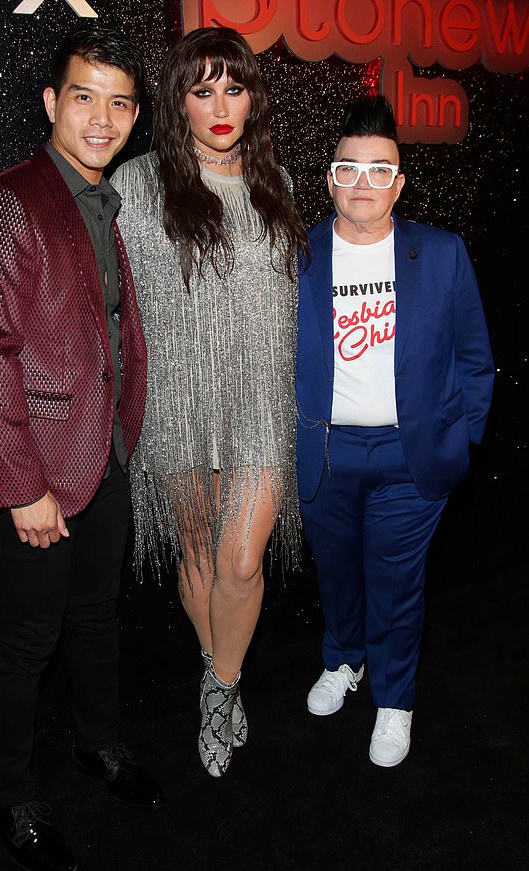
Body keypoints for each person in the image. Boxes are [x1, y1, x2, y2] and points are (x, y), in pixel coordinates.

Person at [0, 27, 164, 871]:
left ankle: (97, 746)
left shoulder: (103, 201)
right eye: (85, 96)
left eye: (119, 102)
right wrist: (22, 488)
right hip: (30, 473)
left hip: (101, 455)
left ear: (136, 115)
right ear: (50, 103)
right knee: (28, 641)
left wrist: (119, 443)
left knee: (98, 622)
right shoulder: (5, 203)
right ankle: (10, 793)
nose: (102, 118)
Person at [111, 27, 308, 778]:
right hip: (175, 401)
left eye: (234, 87)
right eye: (202, 90)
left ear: (253, 96)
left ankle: (220, 687)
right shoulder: (134, 183)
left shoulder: (279, 183)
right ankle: (217, 671)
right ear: (178, 101)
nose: (220, 105)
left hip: (263, 400)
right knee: (197, 555)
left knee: (242, 558)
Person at [296, 95, 494, 767]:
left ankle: (395, 700)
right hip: (327, 451)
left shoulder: (440, 254)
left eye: (379, 170)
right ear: (329, 178)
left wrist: (460, 438)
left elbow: (474, 357)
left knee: (397, 583)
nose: (362, 183)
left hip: (412, 459)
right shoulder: (295, 256)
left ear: (399, 183)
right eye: (348, 168)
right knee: (337, 578)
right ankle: (343, 659)